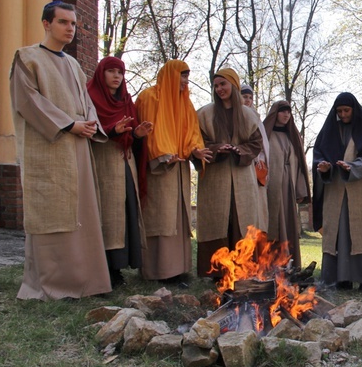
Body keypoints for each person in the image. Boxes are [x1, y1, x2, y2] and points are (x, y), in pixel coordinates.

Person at [10, 0, 111, 299]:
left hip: (78, 148)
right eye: (63, 22)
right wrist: (69, 125)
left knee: (82, 213)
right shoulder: (27, 59)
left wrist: (90, 123)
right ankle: (52, 285)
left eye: (74, 24)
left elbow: (87, 102)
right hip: (49, 148)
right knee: (52, 212)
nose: (70, 29)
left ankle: (84, 281)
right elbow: (28, 101)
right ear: (46, 23)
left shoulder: (74, 64)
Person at [135, 60, 212, 281]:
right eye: (182, 76)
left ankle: (178, 269)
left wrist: (195, 151)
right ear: (170, 75)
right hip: (158, 168)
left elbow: (192, 134)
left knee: (178, 218)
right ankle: (158, 270)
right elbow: (149, 130)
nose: (186, 81)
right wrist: (164, 154)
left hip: (179, 168)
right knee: (160, 216)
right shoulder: (150, 97)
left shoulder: (185, 103)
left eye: (187, 76)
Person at [313, 92, 362, 290]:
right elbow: (319, 155)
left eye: (346, 110)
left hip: (360, 189)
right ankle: (339, 279)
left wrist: (353, 166)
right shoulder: (329, 131)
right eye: (339, 111)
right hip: (336, 190)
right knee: (338, 233)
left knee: (361, 232)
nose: (343, 114)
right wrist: (324, 167)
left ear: (354, 109)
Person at [88, 56, 153, 288]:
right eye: (112, 71)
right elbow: (89, 129)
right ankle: (104, 267)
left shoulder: (127, 101)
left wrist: (137, 135)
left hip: (126, 164)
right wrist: (111, 130)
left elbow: (132, 136)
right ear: (101, 73)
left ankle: (119, 267)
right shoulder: (91, 96)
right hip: (103, 162)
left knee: (126, 212)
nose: (117, 76)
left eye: (120, 72)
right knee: (107, 212)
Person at [195, 68, 264, 278]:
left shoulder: (249, 114)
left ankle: (243, 269)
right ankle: (218, 271)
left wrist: (238, 150)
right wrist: (217, 149)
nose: (219, 89)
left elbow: (256, 143)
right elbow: (199, 142)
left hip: (243, 177)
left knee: (241, 219)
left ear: (233, 85)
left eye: (223, 84)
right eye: (216, 86)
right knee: (217, 219)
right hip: (215, 177)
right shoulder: (204, 113)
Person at [263, 100, 310, 268]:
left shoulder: (293, 136)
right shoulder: (265, 135)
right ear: (275, 113)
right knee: (272, 225)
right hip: (271, 187)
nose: (286, 115)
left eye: (288, 112)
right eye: (283, 111)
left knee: (288, 223)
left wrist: (300, 190)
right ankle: (270, 265)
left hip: (288, 186)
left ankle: (289, 265)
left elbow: (300, 165)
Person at [241, 82, 270, 229]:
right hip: (241, 166)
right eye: (244, 96)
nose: (247, 100)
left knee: (258, 209)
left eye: (250, 97)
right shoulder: (236, 116)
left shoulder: (256, 118)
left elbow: (263, 144)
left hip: (257, 168)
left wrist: (261, 160)